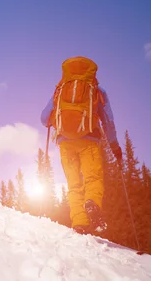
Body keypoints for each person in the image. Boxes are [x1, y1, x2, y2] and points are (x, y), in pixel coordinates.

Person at [40, 56, 122, 235]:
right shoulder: (97, 90)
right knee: (93, 178)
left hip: (65, 143)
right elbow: (108, 121)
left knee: (74, 184)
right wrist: (115, 147)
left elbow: (44, 118)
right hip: (89, 141)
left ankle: (80, 223)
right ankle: (92, 202)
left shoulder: (60, 90)